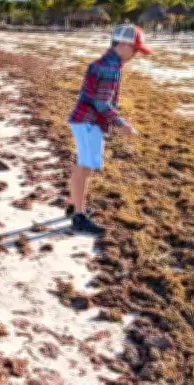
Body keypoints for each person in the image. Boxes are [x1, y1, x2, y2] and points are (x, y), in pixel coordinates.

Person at [67, 24, 152, 234]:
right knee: (85, 167)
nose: (135, 55)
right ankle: (79, 216)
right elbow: (102, 104)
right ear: (123, 44)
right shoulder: (111, 68)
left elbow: (100, 100)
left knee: (82, 165)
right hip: (89, 122)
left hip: (83, 120)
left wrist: (116, 116)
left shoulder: (103, 62)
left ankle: (73, 205)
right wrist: (121, 124)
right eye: (135, 50)